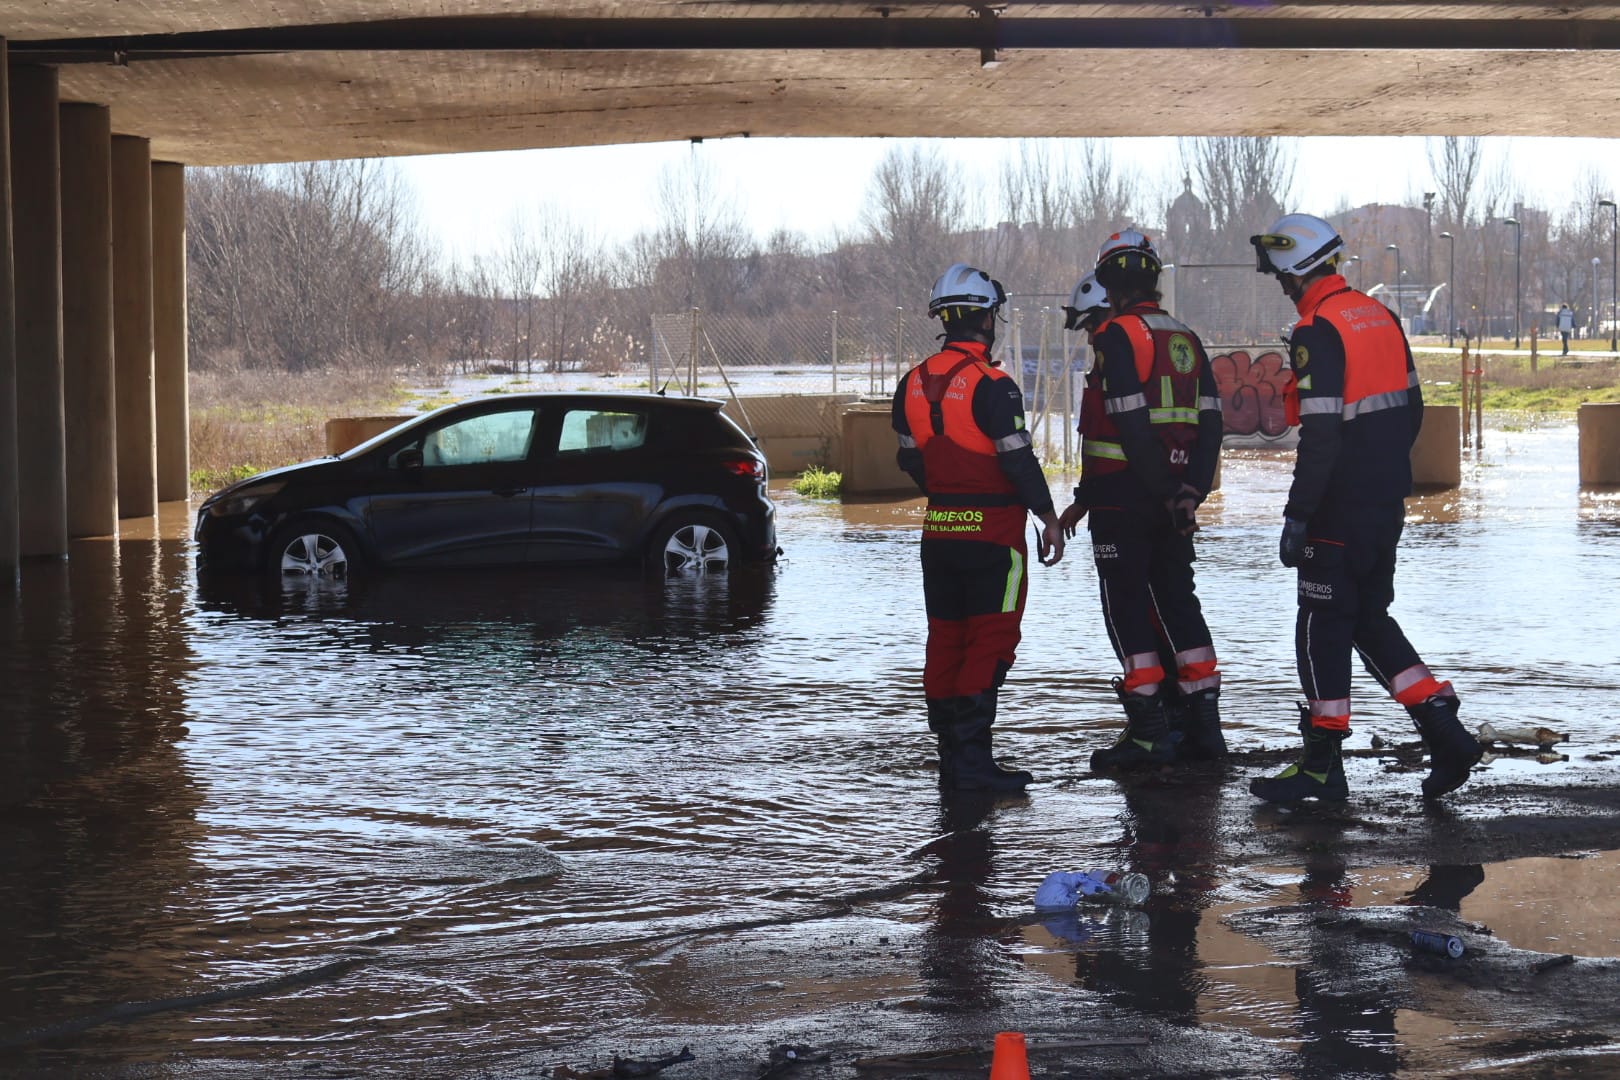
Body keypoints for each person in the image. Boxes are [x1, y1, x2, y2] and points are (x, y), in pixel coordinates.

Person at [1248, 212, 1482, 803]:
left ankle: (1322, 767)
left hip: (1337, 509)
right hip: (1384, 502)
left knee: (1319, 626)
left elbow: (1321, 435)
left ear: (1297, 268)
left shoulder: (1317, 331)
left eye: (1279, 275)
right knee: (1367, 621)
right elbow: (1413, 408)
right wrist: (1383, 473)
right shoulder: (1379, 316)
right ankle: (1444, 729)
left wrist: (1298, 514)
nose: (1279, 285)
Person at [892, 263, 1065, 793]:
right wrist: (1048, 516)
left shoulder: (911, 383)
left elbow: (909, 462)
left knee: (946, 638)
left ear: (945, 318)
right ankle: (972, 763)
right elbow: (1017, 463)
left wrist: (950, 494)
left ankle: (951, 758)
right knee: (991, 640)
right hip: (994, 533)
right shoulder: (995, 387)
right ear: (988, 319)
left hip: (939, 529)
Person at [1060, 232, 1226, 772]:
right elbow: (1210, 423)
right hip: (1169, 499)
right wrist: (1188, 493)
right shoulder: (1187, 337)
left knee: (1127, 609)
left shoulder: (1116, 337)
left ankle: (1151, 733)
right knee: (1180, 605)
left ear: (1109, 287)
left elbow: (1129, 424)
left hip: (1127, 500)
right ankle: (1204, 731)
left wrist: (1153, 490)